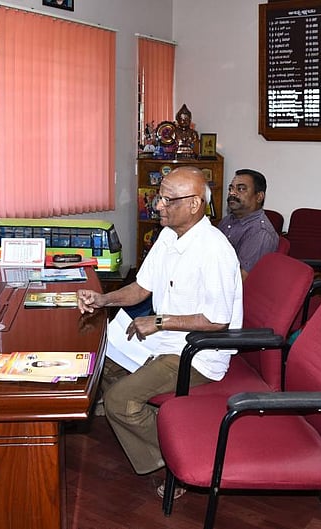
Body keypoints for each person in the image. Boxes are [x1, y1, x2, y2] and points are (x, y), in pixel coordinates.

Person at [76, 166, 242, 483]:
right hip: (167, 339)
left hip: (197, 352)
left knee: (119, 401)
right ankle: (164, 428)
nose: (157, 206)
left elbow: (218, 321)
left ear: (194, 204)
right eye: (159, 197)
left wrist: (160, 321)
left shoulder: (214, 250)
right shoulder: (168, 236)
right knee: (101, 363)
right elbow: (141, 289)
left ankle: (179, 459)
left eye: (167, 200)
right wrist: (101, 300)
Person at [218, 169, 279, 279]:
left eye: (241, 189)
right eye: (231, 188)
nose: (232, 193)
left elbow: (240, 281)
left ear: (259, 197)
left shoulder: (259, 233)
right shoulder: (228, 220)